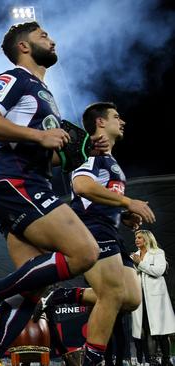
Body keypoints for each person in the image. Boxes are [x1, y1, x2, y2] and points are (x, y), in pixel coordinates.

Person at [0, 22, 109, 366]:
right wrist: (40, 138)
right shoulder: (13, 78)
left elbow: (54, 149)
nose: (52, 38)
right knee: (85, 252)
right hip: (16, 183)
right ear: (24, 46)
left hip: (30, 185)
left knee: (30, 293)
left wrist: (88, 147)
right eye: (43, 35)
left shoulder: (44, 92)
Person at [31, 102, 156, 365]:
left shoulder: (111, 160)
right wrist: (127, 203)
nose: (122, 122)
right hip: (92, 229)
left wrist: (123, 214)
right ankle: (91, 361)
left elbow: (97, 194)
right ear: (100, 122)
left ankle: (60, 296)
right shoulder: (90, 151)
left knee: (131, 299)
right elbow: (82, 185)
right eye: (116, 116)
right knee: (111, 295)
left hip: (110, 231)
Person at [131, 230, 175, 366]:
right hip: (141, 299)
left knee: (161, 331)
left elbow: (158, 271)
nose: (136, 240)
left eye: (139, 237)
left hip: (157, 300)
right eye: (136, 237)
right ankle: (153, 359)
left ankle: (166, 360)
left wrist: (141, 264)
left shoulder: (158, 253)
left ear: (147, 239)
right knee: (147, 330)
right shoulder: (133, 256)